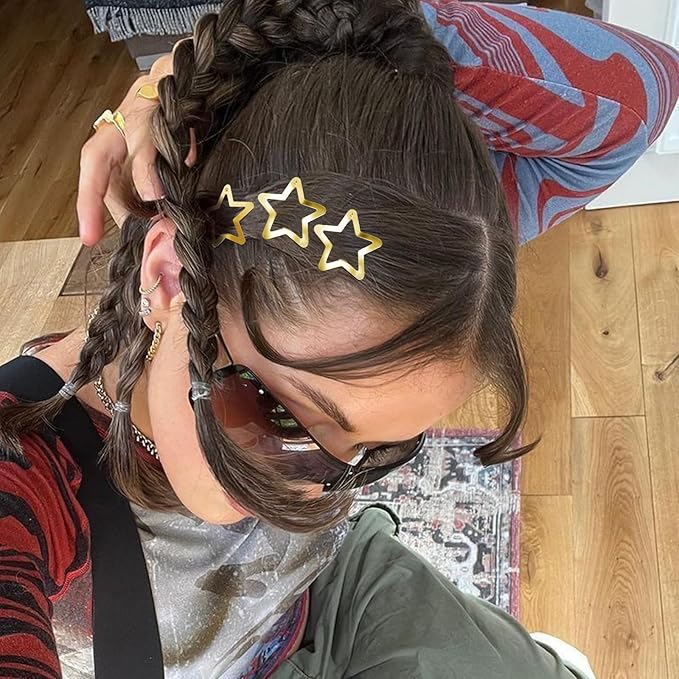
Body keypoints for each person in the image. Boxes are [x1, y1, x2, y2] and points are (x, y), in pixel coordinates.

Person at [0, 1, 677, 677]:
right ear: (170, 277)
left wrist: (307, 37)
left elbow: (640, 95)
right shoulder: (21, 474)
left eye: (374, 454)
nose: (313, 499)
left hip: (331, 595)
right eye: (282, 422)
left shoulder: (385, 263)